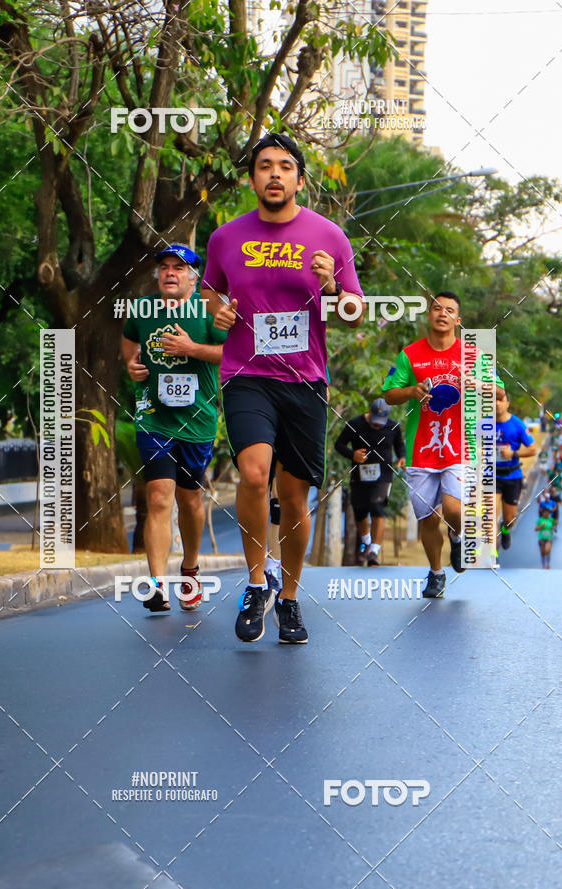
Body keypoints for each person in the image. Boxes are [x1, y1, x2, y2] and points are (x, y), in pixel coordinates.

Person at [201, 132, 363, 644]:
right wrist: (216, 310)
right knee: (253, 475)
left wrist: (334, 288)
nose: (274, 174)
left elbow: (355, 314)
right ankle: (254, 584)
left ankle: (289, 598)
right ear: (251, 178)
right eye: (265, 165)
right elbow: (210, 288)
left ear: (298, 178)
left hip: (305, 380)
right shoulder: (225, 237)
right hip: (246, 375)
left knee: (294, 498)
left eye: (285, 166)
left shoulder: (329, 236)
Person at [122, 244, 226, 612]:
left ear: (193, 277)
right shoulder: (142, 308)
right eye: (164, 267)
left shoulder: (210, 311)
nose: (170, 273)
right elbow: (130, 342)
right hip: (154, 416)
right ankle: (156, 584)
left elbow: (232, 356)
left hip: (197, 420)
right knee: (159, 496)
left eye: (178, 268)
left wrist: (192, 348)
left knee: (190, 498)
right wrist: (131, 365)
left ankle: (190, 569)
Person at [383, 291, 505, 598]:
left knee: (452, 507)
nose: (442, 313)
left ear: (458, 320)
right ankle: (436, 574)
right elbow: (388, 394)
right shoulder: (410, 354)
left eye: (450, 310)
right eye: (437, 308)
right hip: (420, 449)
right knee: (426, 518)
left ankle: (458, 533)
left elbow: (501, 394)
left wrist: (478, 384)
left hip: (460, 447)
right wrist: (411, 391)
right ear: (429, 315)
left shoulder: (474, 356)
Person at [334, 397, 405, 566]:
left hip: (383, 475)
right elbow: (339, 445)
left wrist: (402, 457)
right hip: (359, 474)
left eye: (381, 423)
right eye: (374, 422)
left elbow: (399, 445)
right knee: (359, 510)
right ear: (369, 414)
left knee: (377, 506)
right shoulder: (354, 424)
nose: (377, 426)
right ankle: (366, 541)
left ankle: (374, 550)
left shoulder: (393, 426)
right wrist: (353, 454)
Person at [495, 392, 536, 550]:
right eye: (494, 401)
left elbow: (532, 450)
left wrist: (514, 453)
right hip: (491, 475)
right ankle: (489, 554)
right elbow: (470, 445)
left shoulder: (517, 425)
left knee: (509, 519)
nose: (497, 403)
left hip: (512, 476)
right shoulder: (483, 424)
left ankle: (505, 530)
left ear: (507, 404)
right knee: (489, 516)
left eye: (501, 400)